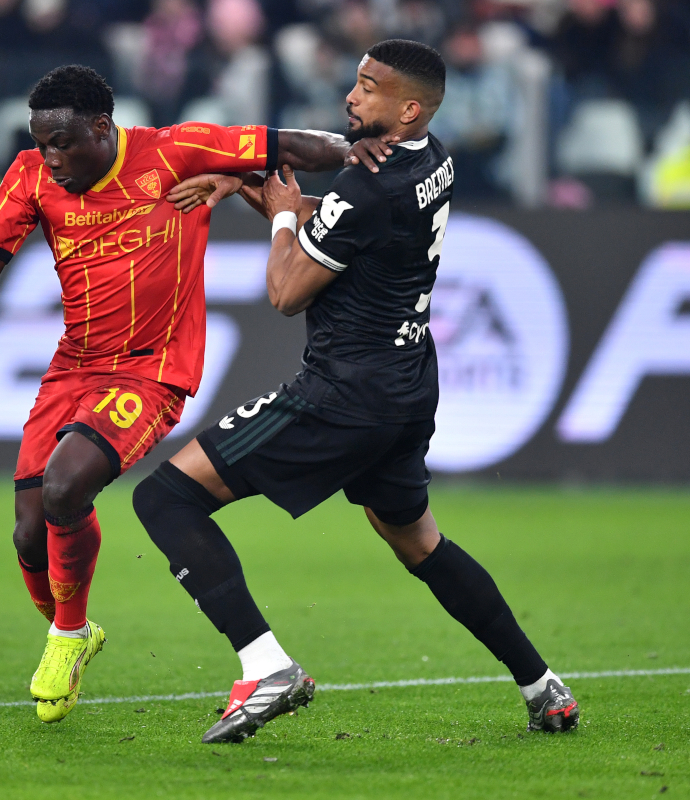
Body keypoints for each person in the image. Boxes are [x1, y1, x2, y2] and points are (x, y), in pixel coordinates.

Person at [0, 64, 394, 724]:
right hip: (74, 367)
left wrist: (352, 150)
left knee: (68, 486)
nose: (53, 157)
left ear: (103, 127)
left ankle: (64, 639)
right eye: (43, 143)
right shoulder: (32, 175)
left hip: (153, 369)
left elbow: (287, 145)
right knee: (31, 534)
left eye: (64, 141)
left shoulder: (176, 151)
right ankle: (77, 628)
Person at [132, 39, 581, 744]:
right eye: (355, 83)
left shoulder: (368, 184)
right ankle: (541, 685)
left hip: (345, 394)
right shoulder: (433, 159)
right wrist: (248, 186)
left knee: (164, 495)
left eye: (368, 88)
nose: (351, 97)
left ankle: (265, 664)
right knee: (415, 538)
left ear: (407, 107)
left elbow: (285, 290)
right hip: (407, 384)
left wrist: (278, 213)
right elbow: (343, 223)